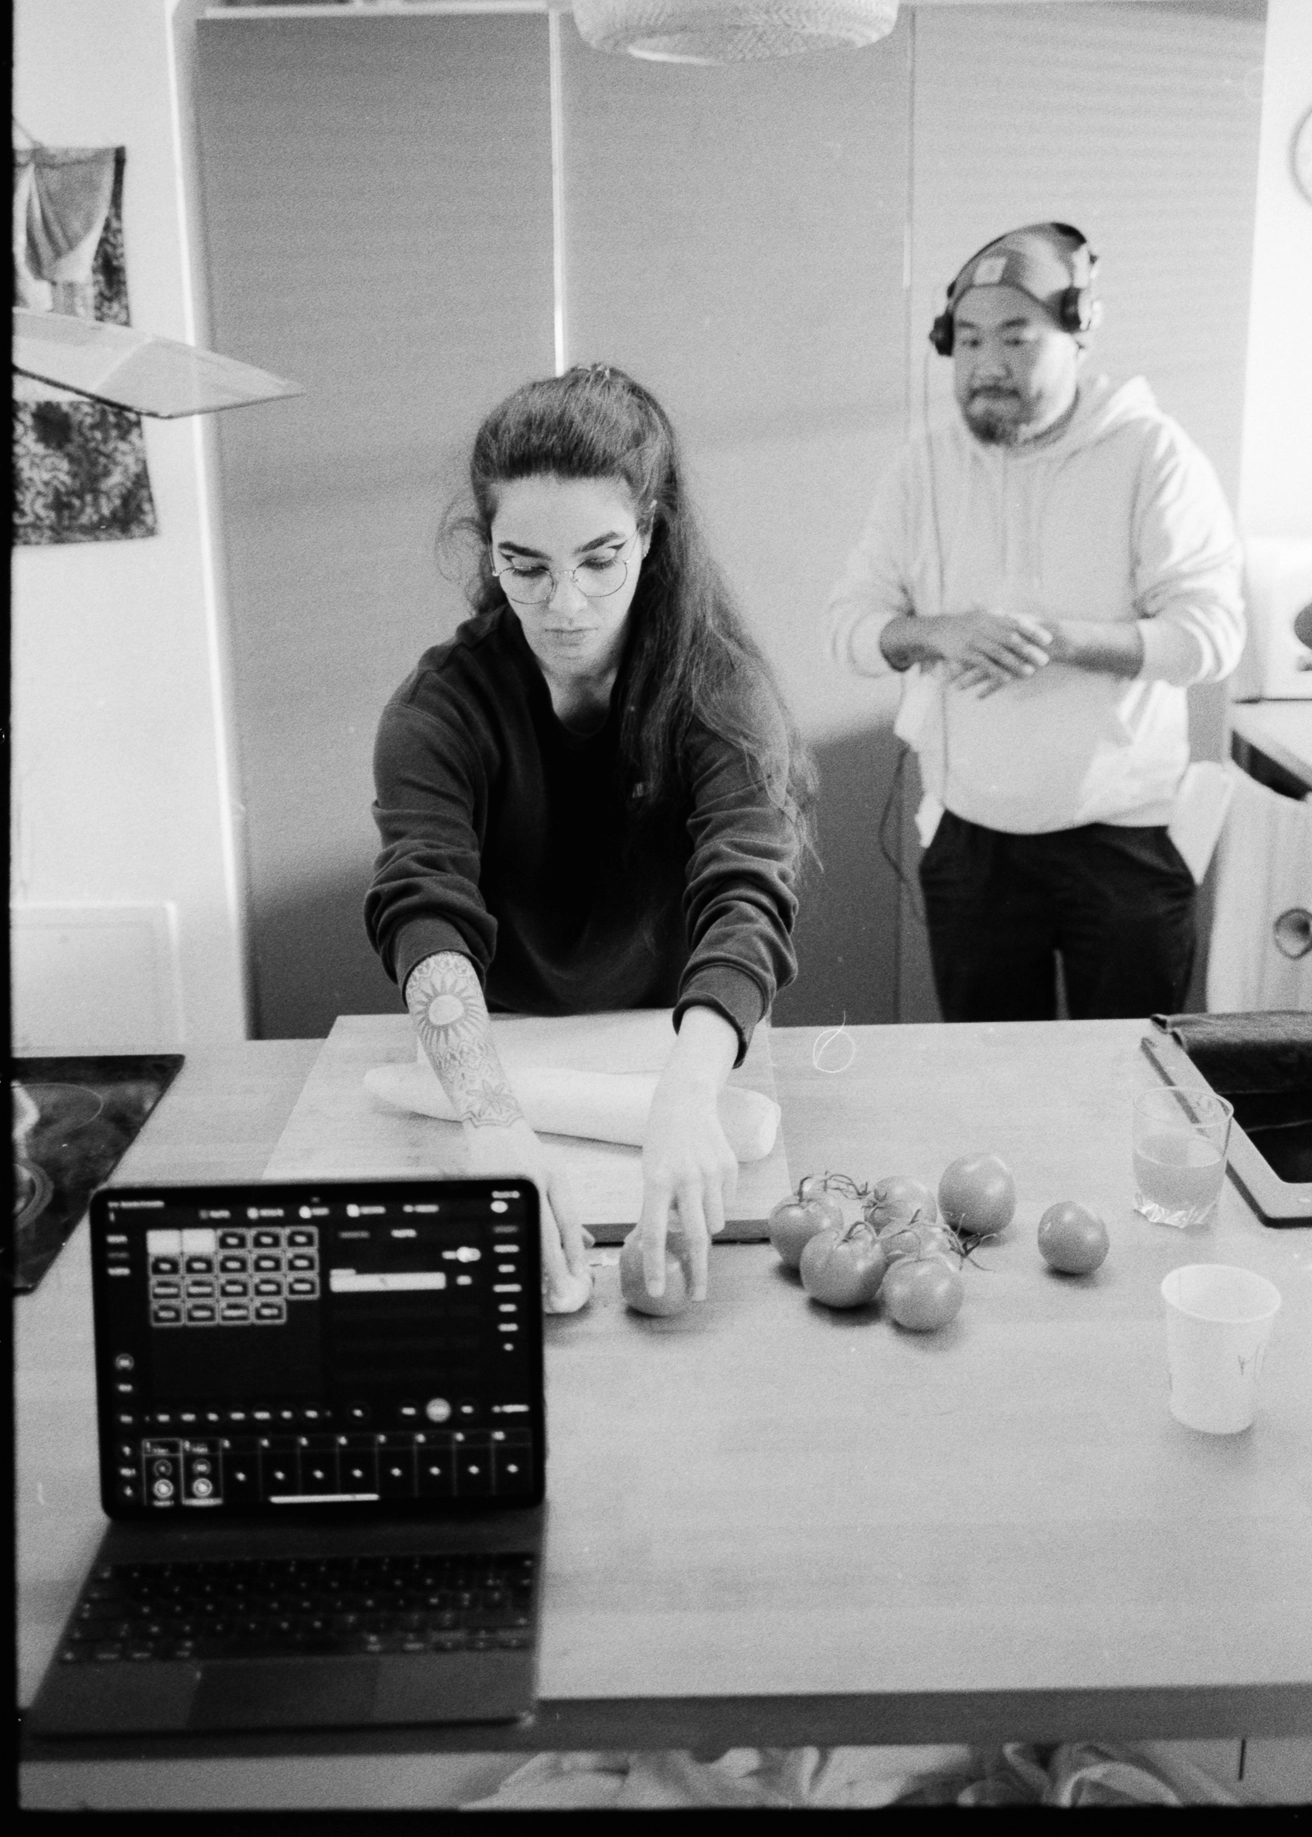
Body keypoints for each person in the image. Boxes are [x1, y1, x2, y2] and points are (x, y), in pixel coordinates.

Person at [366, 364, 813, 1310]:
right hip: (498, 1046)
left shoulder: (719, 692)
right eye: (526, 566)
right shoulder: (435, 712)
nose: (565, 604)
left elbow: (746, 895)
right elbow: (423, 906)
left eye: (600, 559)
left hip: (684, 1040)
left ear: (650, 534)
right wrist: (493, 1125)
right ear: (487, 551)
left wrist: (687, 1098)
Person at [825, 220, 1245, 1022]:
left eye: (1016, 338)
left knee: (1126, 1073)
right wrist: (937, 631)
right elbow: (848, 624)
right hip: (971, 843)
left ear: (1079, 334)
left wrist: (1060, 640)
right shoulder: (924, 465)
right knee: (988, 1075)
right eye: (969, 340)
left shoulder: (1152, 454)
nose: (987, 364)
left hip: (1123, 840)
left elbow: (1212, 637)